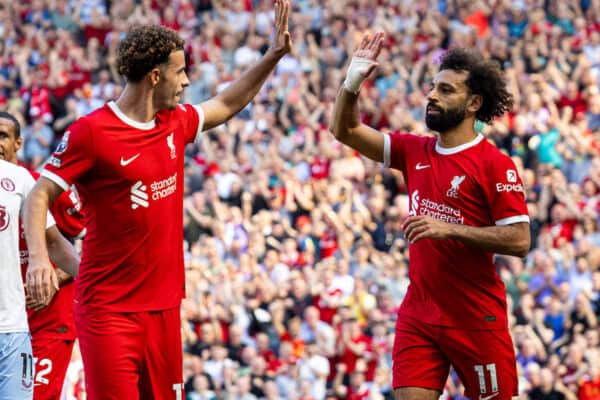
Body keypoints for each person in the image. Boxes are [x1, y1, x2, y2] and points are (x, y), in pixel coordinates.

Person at [23, 1, 292, 399]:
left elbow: (226, 104)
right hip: (108, 311)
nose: (185, 82)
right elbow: (38, 195)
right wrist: (40, 260)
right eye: (180, 72)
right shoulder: (92, 132)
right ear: (154, 76)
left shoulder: (174, 123)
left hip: (164, 308)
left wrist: (272, 56)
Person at [329, 33, 530, 400]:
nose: (433, 95)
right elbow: (345, 130)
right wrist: (353, 81)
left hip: (476, 319)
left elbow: (519, 240)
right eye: (434, 87)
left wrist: (448, 229)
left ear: (474, 103)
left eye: (447, 90)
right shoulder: (413, 150)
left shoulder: (495, 165)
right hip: (420, 315)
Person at [0, 111, 84, 400]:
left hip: (49, 320)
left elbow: (83, 238)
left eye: (3, 136)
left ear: (18, 143)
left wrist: (55, 276)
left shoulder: (39, 187)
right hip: (13, 318)